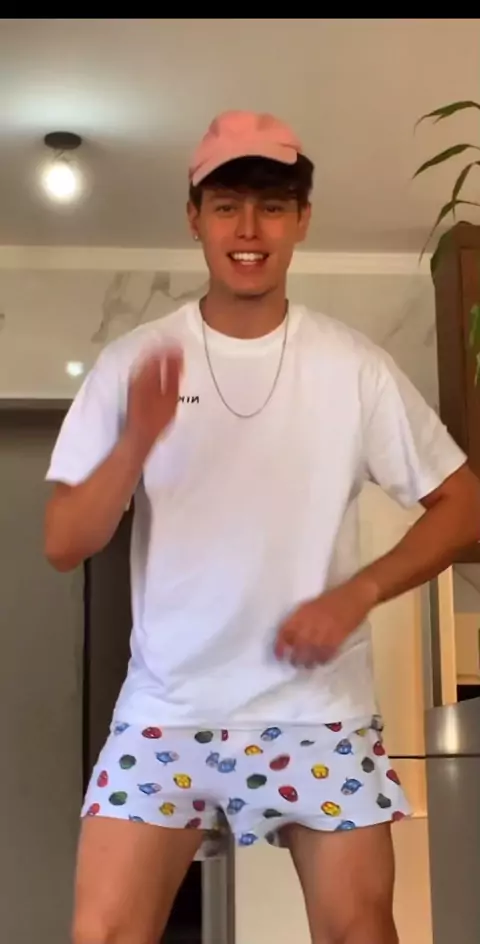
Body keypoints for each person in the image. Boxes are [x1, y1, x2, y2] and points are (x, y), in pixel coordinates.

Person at [44, 110, 480, 944]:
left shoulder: (355, 367)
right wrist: (134, 443)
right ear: (195, 218)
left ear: (302, 219)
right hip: (167, 712)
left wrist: (359, 592)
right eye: (227, 206)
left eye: (273, 206)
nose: (249, 229)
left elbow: (464, 503)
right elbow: (64, 542)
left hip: (318, 711)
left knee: (361, 932)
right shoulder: (134, 362)